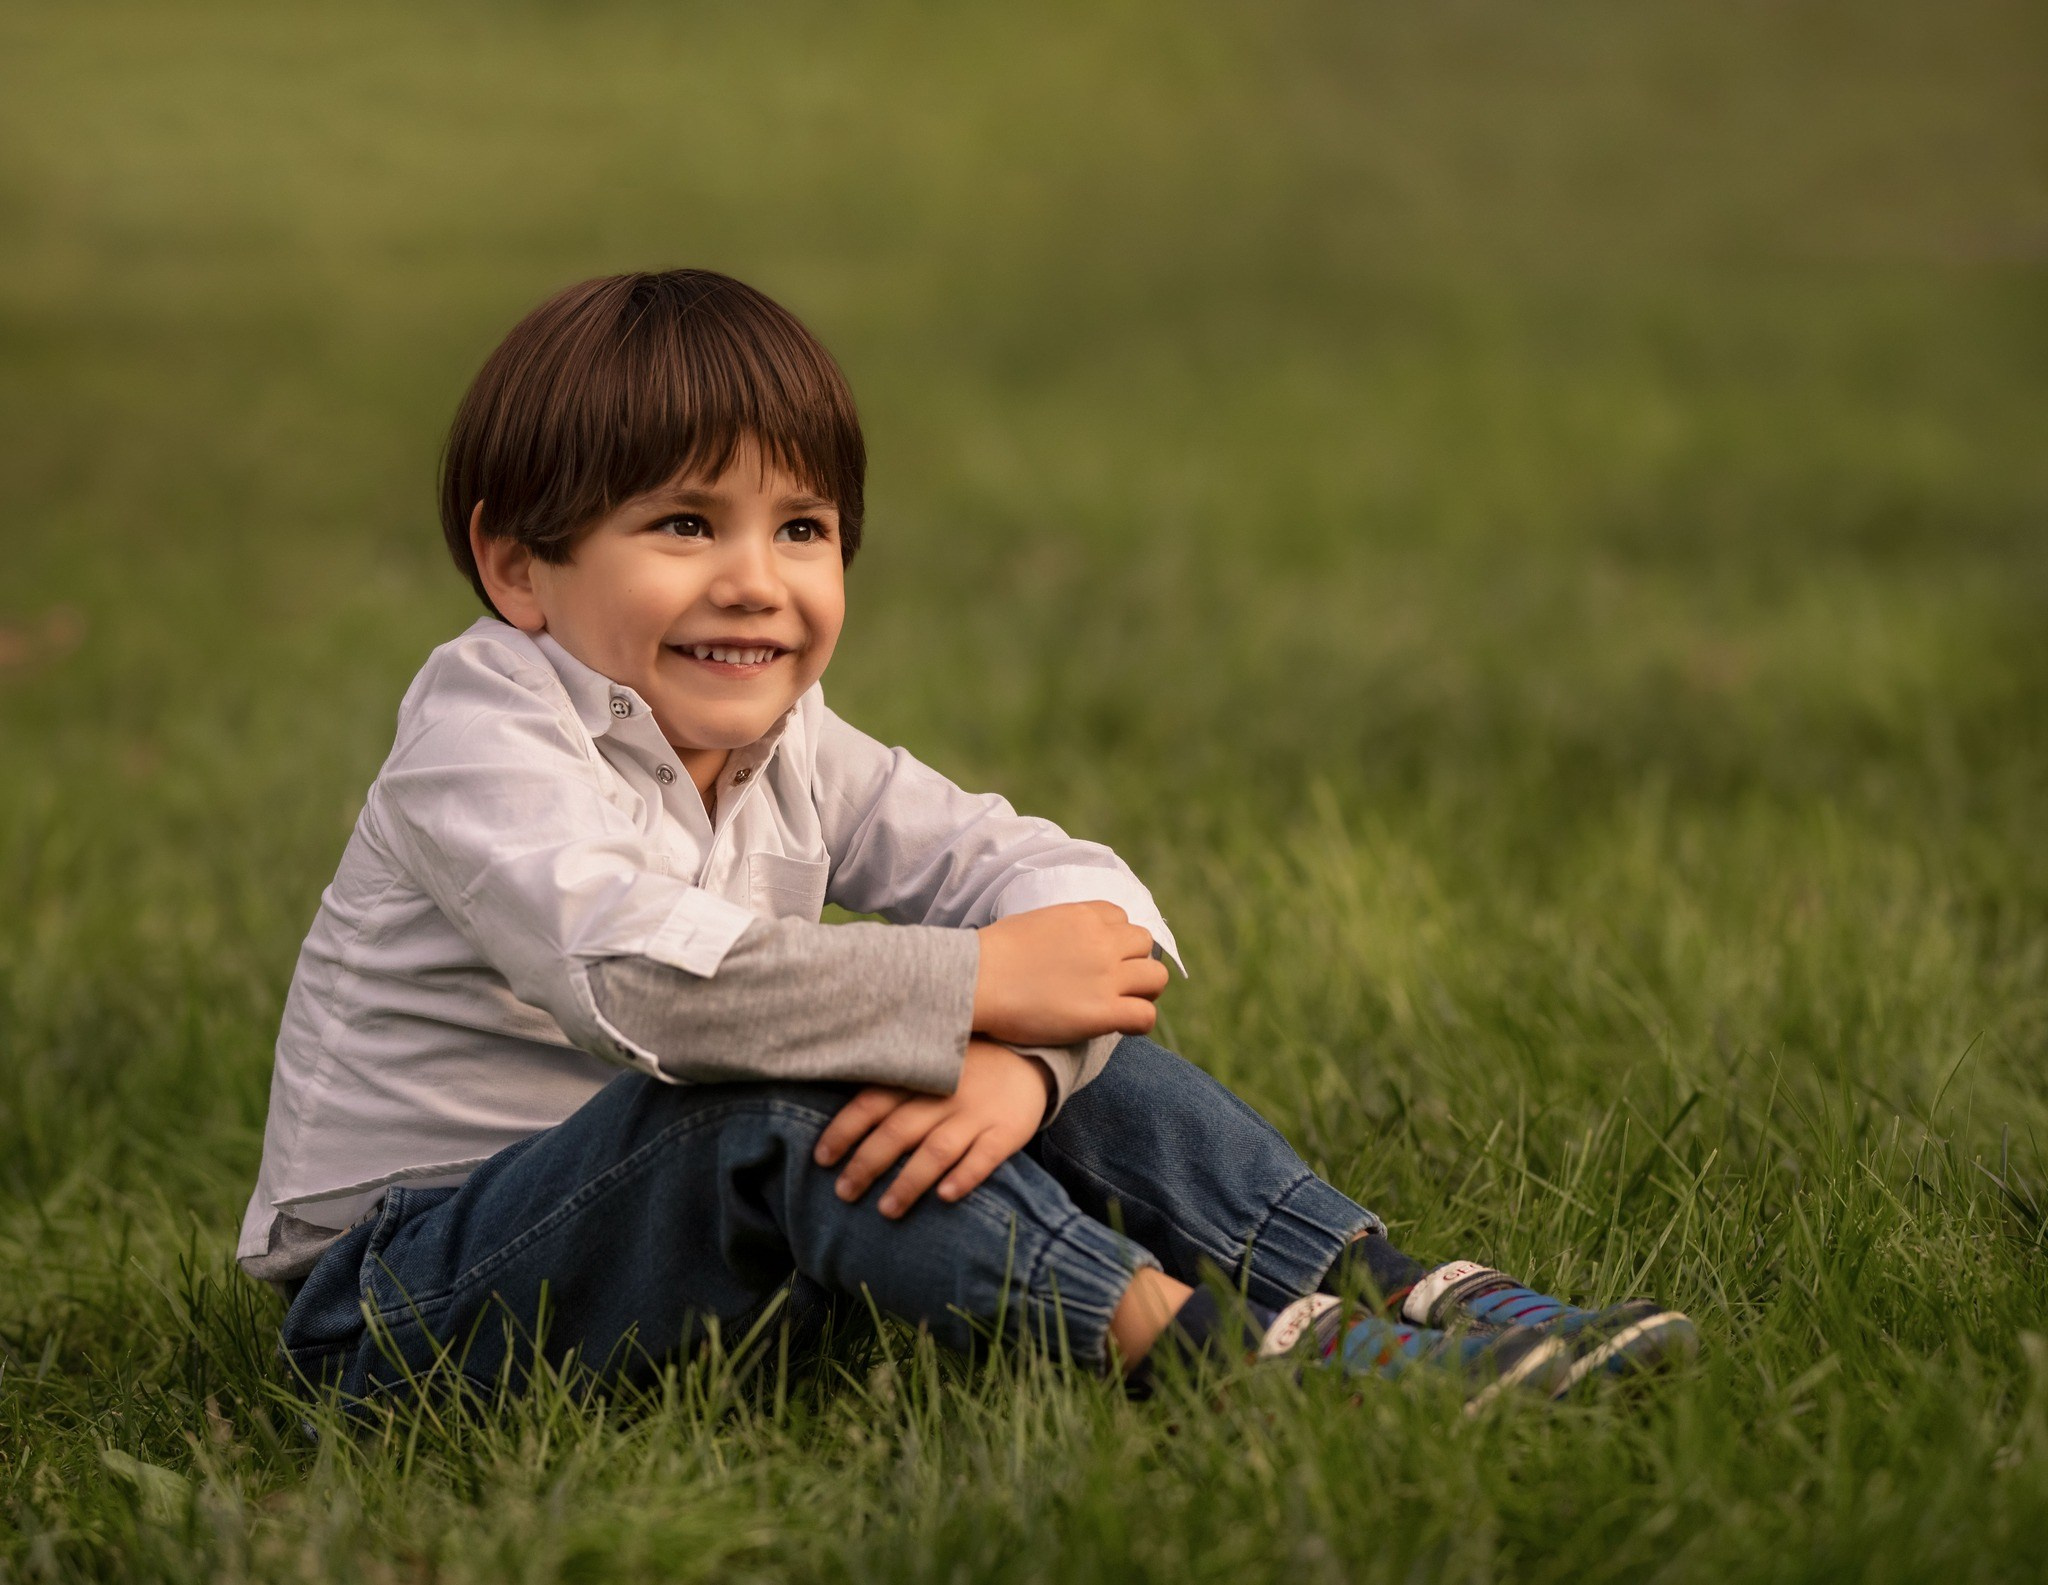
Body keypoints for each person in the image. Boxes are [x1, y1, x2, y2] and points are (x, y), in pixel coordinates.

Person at [239, 269, 1695, 1409]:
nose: (755, 581)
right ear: (518, 567)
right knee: (788, 1086)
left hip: (663, 1249)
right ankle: (1222, 1366)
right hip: (407, 1296)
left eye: (802, 528)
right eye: (683, 524)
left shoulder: (789, 743)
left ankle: (1398, 1294)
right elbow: (649, 988)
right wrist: (977, 989)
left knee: (1018, 1054)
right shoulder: (480, 742)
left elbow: (1079, 899)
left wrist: (1022, 1063)